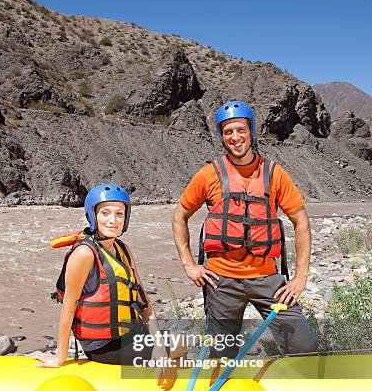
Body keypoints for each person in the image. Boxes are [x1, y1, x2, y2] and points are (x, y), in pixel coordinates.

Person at [172, 100, 317, 358]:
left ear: (251, 132)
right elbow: (180, 216)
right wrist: (189, 264)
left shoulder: (274, 174)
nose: (235, 138)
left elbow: (301, 222)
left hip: (268, 279)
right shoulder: (208, 175)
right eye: (228, 132)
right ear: (222, 136)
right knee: (221, 354)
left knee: (303, 347)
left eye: (240, 130)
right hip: (221, 281)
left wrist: (300, 277)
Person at [33, 183, 167, 372]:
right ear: (93, 216)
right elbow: (68, 308)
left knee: (176, 342)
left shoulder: (123, 250)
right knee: (179, 346)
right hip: (102, 346)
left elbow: (144, 302)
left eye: (119, 214)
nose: (113, 220)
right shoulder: (84, 254)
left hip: (127, 334)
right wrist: (60, 356)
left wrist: (158, 344)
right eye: (105, 213)